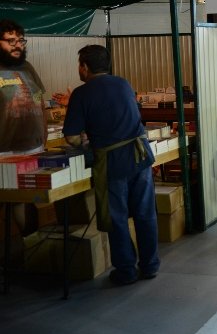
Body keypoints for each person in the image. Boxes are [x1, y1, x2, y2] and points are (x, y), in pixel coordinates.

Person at [62, 44, 160, 285]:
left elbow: (72, 138)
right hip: (140, 156)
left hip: (112, 163)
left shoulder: (81, 93)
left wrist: (86, 139)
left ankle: (126, 271)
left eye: (79, 65)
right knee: (145, 213)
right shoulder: (123, 83)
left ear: (84, 67)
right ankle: (150, 266)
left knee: (116, 217)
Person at [0, 19, 46, 236]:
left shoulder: (27, 67)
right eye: (10, 41)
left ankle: (30, 245)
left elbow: (39, 101)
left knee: (28, 200)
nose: (17, 45)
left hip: (33, 148)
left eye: (20, 40)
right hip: (5, 152)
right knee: (8, 201)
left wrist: (44, 134)